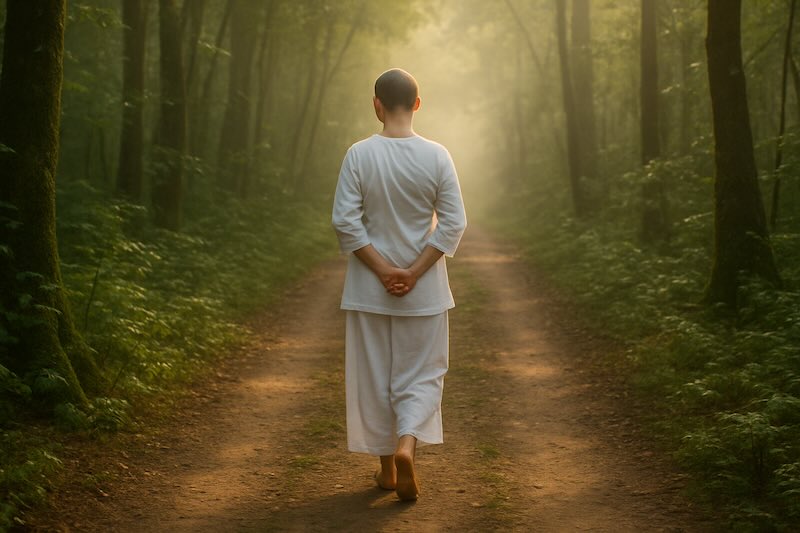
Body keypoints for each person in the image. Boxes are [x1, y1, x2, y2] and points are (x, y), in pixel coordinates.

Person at [331, 68, 467, 501]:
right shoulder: (438, 156)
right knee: (423, 374)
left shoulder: (358, 154)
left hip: (369, 292)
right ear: (418, 103)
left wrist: (383, 270)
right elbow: (454, 224)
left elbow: (345, 222)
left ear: (376, 105)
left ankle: (388, 470)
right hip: (424, 293)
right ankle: (408, 444)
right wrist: (412, 272)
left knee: (374, 379)